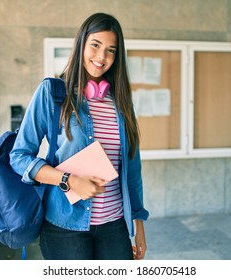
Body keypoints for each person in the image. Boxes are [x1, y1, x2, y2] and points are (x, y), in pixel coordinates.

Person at [10, 12, 148, 260]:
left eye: (111, 50)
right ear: (81, 44)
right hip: (65, 226)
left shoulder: (121, 102)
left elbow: (132, 167)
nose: (101, 57)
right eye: (95, 45)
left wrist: (138, 223)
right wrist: (68, 179)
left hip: (115, 225)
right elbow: (19, 156)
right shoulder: (52, 93)